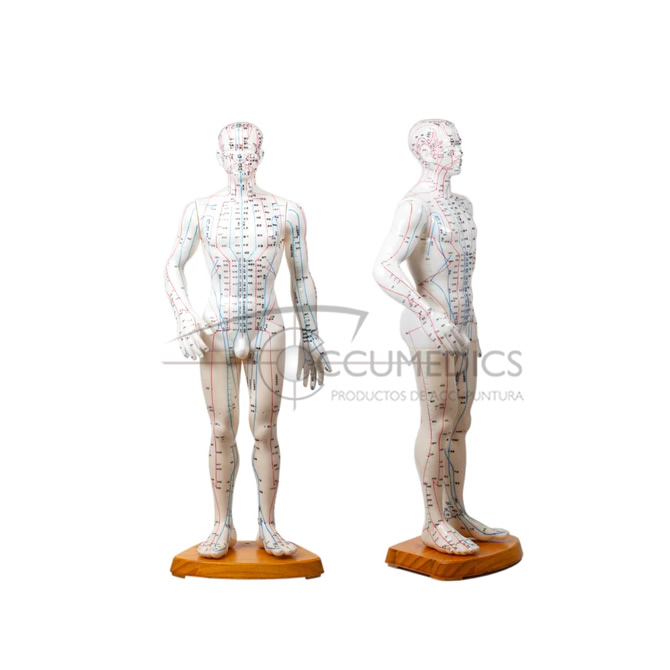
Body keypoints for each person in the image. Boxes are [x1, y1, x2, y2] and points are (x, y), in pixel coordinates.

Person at [165, 122, 330, 558]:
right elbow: (172, 265)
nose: (240, 157)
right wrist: (184, 318)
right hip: (215, 329)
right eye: (232, 150)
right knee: (221, 429)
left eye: (248, 150)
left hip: (267, 326)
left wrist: (312, 335)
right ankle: (222, 524)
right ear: (219, 157)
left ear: (261, 156)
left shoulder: (287, 211)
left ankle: (268, 526)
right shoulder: (199, 210)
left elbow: (302, 276)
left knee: (266, 430)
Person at [373, 119, 508, 555]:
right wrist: (427, 313)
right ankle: (433, 521)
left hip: (465, 323)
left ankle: (456, 512)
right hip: (429, 325)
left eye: (459, 143)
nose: (459, 151)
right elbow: (384, 267)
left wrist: (466, 325)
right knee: (438, 424)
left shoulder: (463, 204)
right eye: (450, 144)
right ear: (426, 152)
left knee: (462, 423)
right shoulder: (415, 207)